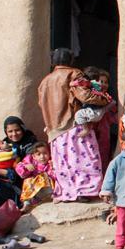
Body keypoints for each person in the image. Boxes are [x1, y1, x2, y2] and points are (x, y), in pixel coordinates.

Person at [38, 48, 108, 202]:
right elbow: (84, 94)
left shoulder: (45, 81)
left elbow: (41, 103)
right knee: (84, 157)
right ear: (71, 60)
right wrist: (104, 100)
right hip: (73, 124)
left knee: (63, 162)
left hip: (54, 128)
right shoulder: (74, 74)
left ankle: (68, 192)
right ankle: (85, 191)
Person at [83, 66, 118, 171]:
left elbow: (114, 117)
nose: (102, 84)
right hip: (89, 131)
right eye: (100, 81)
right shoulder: (87, 97)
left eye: (105, 82)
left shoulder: (109, 100)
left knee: (103, 156)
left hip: (104, 133)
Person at [15, 141, 56, 209]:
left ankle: (49, 196)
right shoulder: (31, 160)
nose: (42, 157)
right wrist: (26, 167)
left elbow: (55, 176)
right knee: (28, 180)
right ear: (34, 156)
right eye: (38, 154)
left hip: (49, 189)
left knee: (43, 176)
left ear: (50, 154)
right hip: (35, 190)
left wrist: (53, 168)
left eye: (45, 153)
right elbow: (18, 168)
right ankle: (27, 202)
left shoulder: (50, 162)